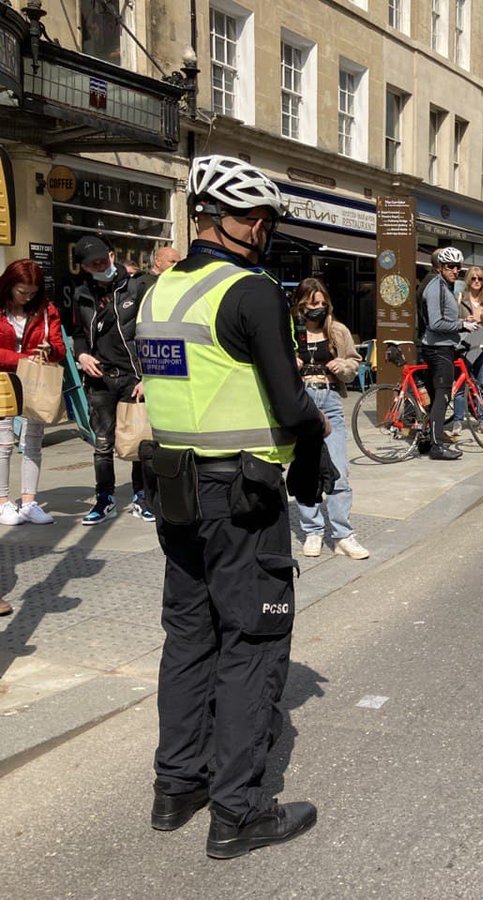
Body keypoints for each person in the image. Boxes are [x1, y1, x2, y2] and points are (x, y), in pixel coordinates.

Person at [137, 155, 328, 857]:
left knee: (190, 637)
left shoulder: (157, 293)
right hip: (243, 497)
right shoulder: (250, 293)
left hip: (175, 488)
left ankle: (176, 785)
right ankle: (239, 812)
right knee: (252, 642)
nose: (267, 232)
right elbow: (290, 404)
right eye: (264, 220)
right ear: (243, 221)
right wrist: (312, 463)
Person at [67, 233, 154, 524]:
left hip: (133, 376)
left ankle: (143, 497)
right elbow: (79, 334)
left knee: (139, 440)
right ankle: (104, 498)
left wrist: (148, 375)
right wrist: (82, 356)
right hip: (100, 378)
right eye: (94, 264)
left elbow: (151, 330)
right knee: (102, 444)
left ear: (113, 257)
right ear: (84, 267)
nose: (101, 265)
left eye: (104, 260)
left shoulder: (137, 286)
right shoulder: (81, 294)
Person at [291, 278, 368, 560]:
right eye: (313, 304)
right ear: (301, 305)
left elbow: (354, 362)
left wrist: (344, 365)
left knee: (338, 469)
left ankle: (343, 535)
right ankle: (312, 530)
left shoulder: (337, 331)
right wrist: (290, 364)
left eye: (322, 304)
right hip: (300, 403)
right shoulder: (290, 333)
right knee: (305, 469)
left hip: (330, 398)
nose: (318, 309)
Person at [0, 259, 66, 526]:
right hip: (5, 378)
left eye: (32, 292)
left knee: (33, 441)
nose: (28, 297)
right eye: (22, 291)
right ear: (8, 286)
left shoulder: (46, 310)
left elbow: (60, 347)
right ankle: (3, 502)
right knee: (3, 443)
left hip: (36, 380)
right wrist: (21, 360)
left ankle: (29, 502)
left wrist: (49, 350)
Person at [420, 246, 479, 461]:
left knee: (437, 397)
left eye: (458, 267)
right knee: (442, 396)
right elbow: (435, 323)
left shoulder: (446, 286)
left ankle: (427, 440)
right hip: (437, 348)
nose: (455, 270)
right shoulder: (436, 288)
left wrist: (463, 323)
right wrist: (462, 325)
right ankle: (437, 447)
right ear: (441, 267)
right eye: (450, 267)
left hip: (445, 345)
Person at [450, 266, 483, 439]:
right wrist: (464, 320)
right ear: (468, 281)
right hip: (465, 346)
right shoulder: (460, 298)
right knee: (460, 386)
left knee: (482, 385)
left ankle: (482, 420)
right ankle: (458, 420)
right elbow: (452, 321)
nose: (476, 281)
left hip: (481, 346)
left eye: (479, 279)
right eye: (473, 278)